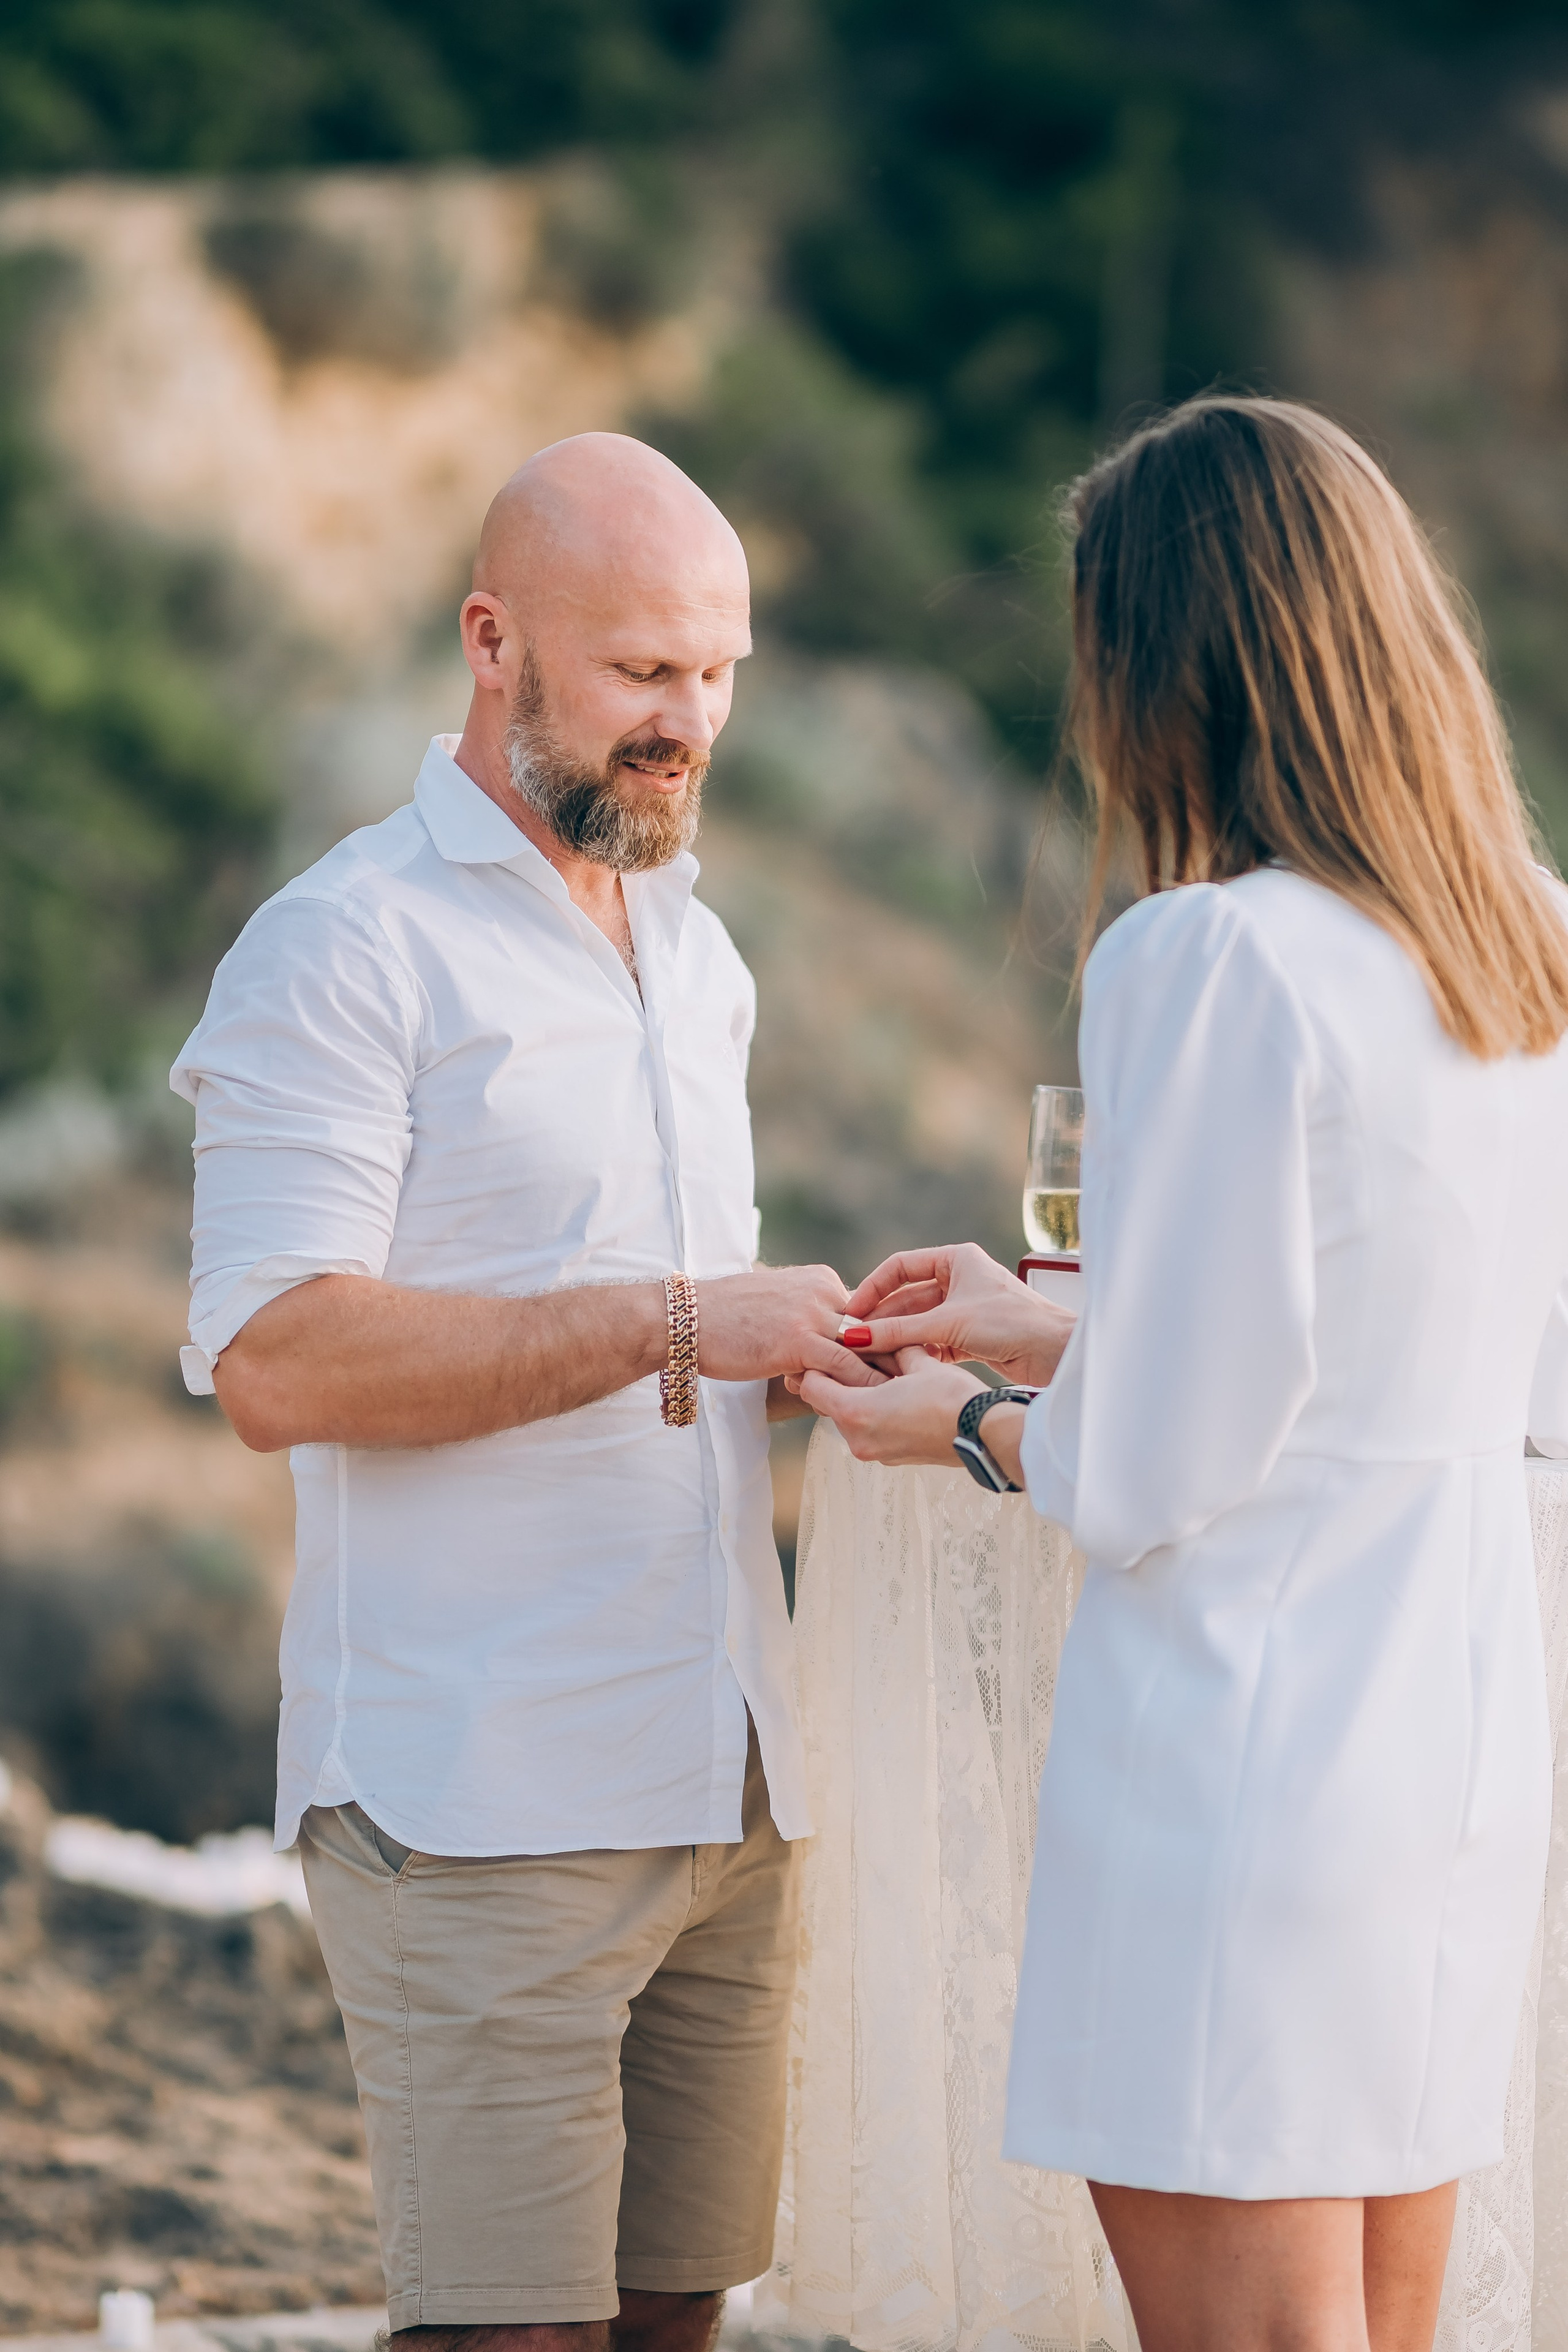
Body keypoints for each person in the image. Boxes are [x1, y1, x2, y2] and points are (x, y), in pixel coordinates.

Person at [791, 396, 1568, 2352]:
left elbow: (1154, 1473)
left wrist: (963, 1423)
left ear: (1165, 664)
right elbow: (1420, 1361)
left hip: (1252, 1763)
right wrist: (1049, 1322)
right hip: (1454, 1750)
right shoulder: (1526, 950)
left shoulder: (1213, 960)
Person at [171, 434, 867, 2352]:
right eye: (645, 671)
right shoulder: (341, 947)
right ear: (493, 640)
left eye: (719, 671)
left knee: (675, 2327)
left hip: (725, 1779)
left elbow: (679, 1351)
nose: (691, 720)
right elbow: (274, 1356)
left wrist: (807, 1356)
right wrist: (673, 1323)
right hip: (480, 1795)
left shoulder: (698, 954)